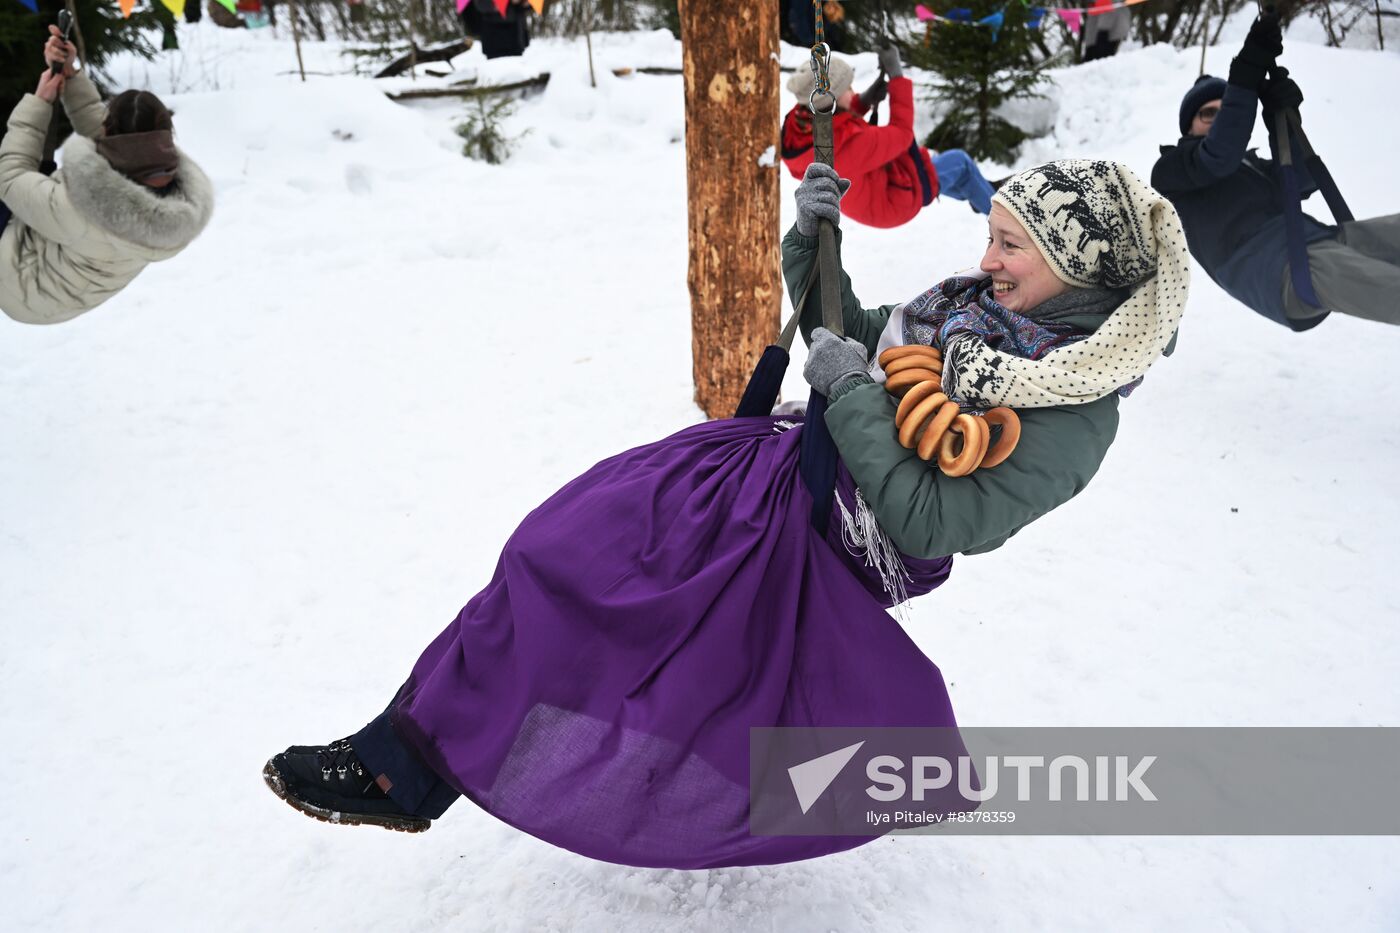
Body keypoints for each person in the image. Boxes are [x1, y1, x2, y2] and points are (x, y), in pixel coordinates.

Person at [263, 157, 1189, 869]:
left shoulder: (1073, 414)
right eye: (990, 233)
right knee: (554, 550)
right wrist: (813, 244)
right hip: (774, 471)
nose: (986, 259)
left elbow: (924, 519)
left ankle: (409, 765)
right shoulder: (975, 312)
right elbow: (859, 338)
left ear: (1078, 266)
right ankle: (405, 749)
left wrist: (850, 392)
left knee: (580, 580)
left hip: (817, 535)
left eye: (1011, 244)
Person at [1151, 11, 1400, 331]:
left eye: (1225, 109)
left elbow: (1300, 182)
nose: (1218, 116)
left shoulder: (1249, 167)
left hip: (1321, 241)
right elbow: (1219, 157)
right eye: (1207, 112)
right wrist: (1246, 75)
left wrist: (1280, 116)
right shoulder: (1171, 172)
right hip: (1279, 271)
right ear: (1188, 125)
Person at [0, 27, 214, 326]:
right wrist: (71, 75)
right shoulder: (172, 191)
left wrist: (39, 101)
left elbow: (9, 177)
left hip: (21, 287)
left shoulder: (79, 206)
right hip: (66, 289)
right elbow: (105, 133)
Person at [781, 49, 999, 224]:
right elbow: (902, 134)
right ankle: (1003, 219)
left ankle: (980, 193)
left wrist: (863, 101)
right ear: (834, 98)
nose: (853, 90)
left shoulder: (798, 123)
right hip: (892, 200)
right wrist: (897, 77)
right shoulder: (850, 146)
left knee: (961, 177)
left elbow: (838, 122)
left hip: (872, 192)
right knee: (960, 162)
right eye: (849, 88)